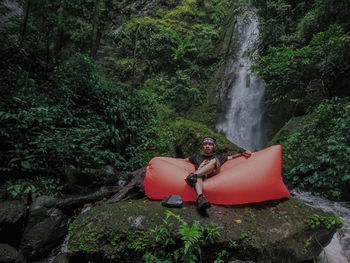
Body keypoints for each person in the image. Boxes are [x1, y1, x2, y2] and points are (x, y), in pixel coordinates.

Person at [185, 137, 252, 210]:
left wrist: (242, 153)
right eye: (205, 144)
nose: (207, 146)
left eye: (210, 144)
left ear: (214, 147)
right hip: (200, 177)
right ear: (202, 146)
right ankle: (200, 198)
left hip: (209, 173)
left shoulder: (218, 157)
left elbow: (231, 157)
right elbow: (185, 160)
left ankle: (193, 176)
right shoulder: (197, 157)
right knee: (198, 177)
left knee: (214, 160)